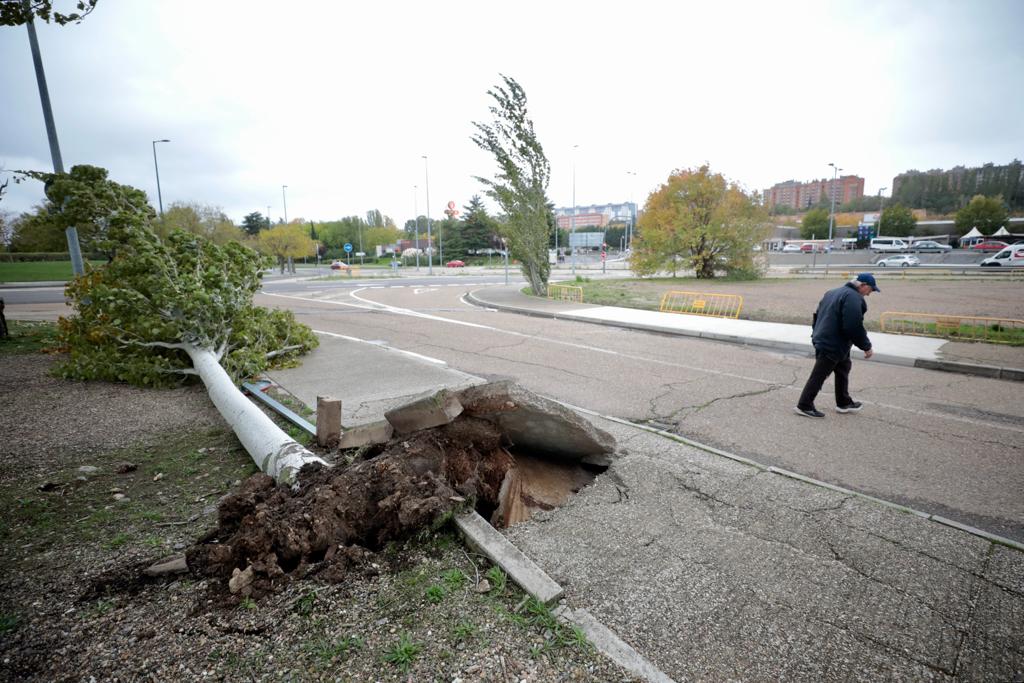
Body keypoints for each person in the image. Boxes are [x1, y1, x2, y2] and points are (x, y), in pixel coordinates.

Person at [795, 273, 879, 418]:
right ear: (863, 285)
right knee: (819, 375)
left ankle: (844, 402)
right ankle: (804, 405)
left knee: (843, 368)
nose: (870, 294)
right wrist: (866, 346)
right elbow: (853, 326)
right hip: (833, 343)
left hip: (829, 340)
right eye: (870, 290)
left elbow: (818, 315)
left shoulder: (832, 292)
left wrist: (816, 334)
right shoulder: (853, 297)